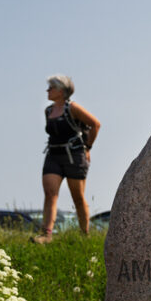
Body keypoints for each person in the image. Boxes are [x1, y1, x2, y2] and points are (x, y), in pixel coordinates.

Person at [33, 74, 101, 243]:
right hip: (53, 155)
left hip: (74, 156)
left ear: (62, 91)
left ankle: (84, 234)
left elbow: (95, 124)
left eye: (51, 87)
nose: (48, 91)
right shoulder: (48, 111)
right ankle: (46, 234)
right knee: (50, 194)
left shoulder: (73, 108)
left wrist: (88, 147)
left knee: (77, 196)